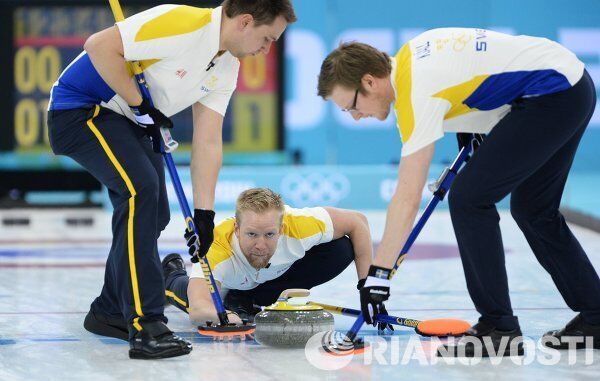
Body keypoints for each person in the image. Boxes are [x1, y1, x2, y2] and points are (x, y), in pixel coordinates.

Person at [317, 28, 600, 357]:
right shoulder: (411, 62)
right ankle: (595, 318)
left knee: (469, 199)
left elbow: (407, 198)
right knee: (533, 210)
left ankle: (498, 328)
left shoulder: (415, 90)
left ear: (369, 81)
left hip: (552, 93)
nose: (355, 115)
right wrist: (473, 134)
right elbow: (474, 80)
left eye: (351, 105)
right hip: (570, 86)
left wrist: (378, 275)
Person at [47, 0, 296, 359]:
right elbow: (98, 46)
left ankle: (109, 311)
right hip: (82, 108)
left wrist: (204, 215)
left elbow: (208, 141)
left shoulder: (227, 66)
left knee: (155, 213)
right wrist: (140, 104)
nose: (267, 48)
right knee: (141, 194)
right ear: (244, 21)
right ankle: (146, 325)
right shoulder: (181, 22)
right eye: (268, 37)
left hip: (128, 118)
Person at [162, 188, 389, 330]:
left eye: (270, 234)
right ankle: (171, 273)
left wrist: (367, 287)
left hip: (271, 277)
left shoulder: (299, 225)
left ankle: (250, 298)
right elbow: (200, 308)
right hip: (226, 285)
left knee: (341, 248)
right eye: (252, 234)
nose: (261, 244)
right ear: (237, 229)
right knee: (185, 293)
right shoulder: (217, 247)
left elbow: (358, 222)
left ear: (281, 228)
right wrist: (229, 317)